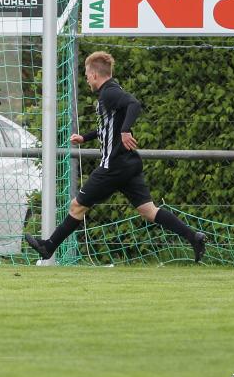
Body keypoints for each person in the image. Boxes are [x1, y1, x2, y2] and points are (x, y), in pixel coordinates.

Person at [25, 52, 206, 263]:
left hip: (113, 166)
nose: (86, 79)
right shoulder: (111, 91)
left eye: (86, 74)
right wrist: (86, 137)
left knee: (77, 206)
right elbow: (108, 126)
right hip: (128, 163)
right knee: (149, 211)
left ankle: (48, 247)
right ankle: (194, 238)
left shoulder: (109, 93)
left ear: (93, 74)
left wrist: (126, 130)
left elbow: (134, 104)